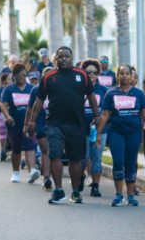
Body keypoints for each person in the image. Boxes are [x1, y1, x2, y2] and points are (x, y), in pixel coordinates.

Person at [26, 46, 98, 205]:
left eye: (66, 56)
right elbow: (39, 102)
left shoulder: (82, 75)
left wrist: (97, 115)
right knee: (54, 155)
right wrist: (32, 121)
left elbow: (91, 97)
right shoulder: (48, 77)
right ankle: (58, 190)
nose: (63, 59)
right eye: (60, 57)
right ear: (56, 59)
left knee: (76, 159)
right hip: (54, 124)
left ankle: (75, 191)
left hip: (77, 124)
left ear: (72, 58)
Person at [97, 65, 145, 206]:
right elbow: (104, 115)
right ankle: (118, 195)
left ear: (131, 76)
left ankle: (130, 195)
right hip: (116, 133)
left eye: (127, 73)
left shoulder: (138, 93)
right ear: (117, 76)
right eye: (121, 73)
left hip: (133, 133)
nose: (124, 76)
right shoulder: (110, 94)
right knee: (118, 162)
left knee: (130, 163)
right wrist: (98, 134)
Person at [0, 63, 39, 182]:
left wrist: (34, 120)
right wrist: (7, 116)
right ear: (14, 76)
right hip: (14, 123)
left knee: (29, 145)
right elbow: (3, 105)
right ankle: (16, 172)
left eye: (23, 75)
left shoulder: (31, 88)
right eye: (18, 75)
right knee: (16, 148)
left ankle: (32, 171)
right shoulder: (9, 89)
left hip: (28, 123)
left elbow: (37, 105)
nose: (21, 77)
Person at [80, 58, 110, 197]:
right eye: (88, 72)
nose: (92, 74)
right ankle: (80, 178)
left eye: (95, 72)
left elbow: (106, 110)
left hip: (100, 130)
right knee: (83, 157)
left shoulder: (103, 90)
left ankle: (95, 186)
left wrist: (98, 119)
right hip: (81, 129)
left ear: (98, 74)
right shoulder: (78, 89)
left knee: (96, 157)